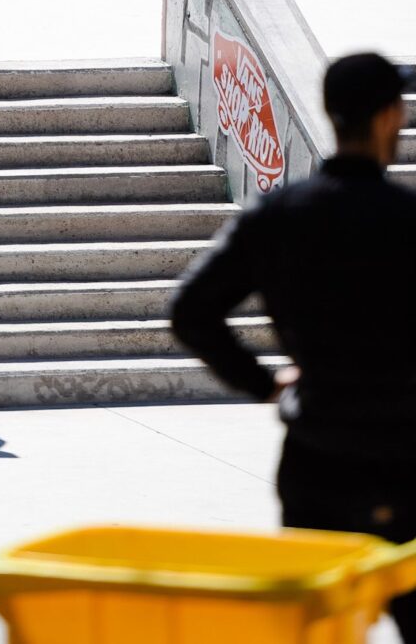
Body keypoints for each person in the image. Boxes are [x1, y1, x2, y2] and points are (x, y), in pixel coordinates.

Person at [171, 51, 416, 642]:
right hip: (406, 462)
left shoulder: (280, 215)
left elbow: (191, 310)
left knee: (317, 630)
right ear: (387, 117)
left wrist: (263, 382)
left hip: (318, 457)